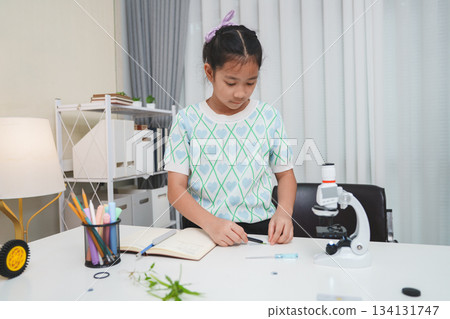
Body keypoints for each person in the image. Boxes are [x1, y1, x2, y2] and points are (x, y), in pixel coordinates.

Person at [164, 10, 296, 246]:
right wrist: (212, 224)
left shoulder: (268, 117)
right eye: (231, 82)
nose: (240, 93)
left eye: (250, 83)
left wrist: (284, 213)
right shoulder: (187, 120)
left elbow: (285, 175)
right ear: (209, 72)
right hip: (202, 231)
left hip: (260, 231)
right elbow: (175, 190)